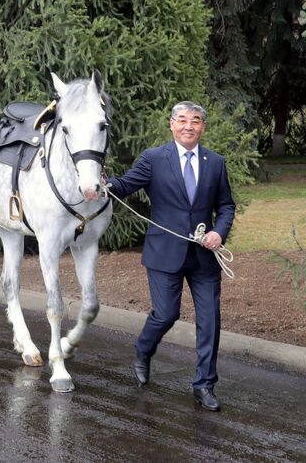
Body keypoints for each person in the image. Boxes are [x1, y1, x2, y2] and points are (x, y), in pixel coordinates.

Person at [105, 101, 235, 412]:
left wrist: (219, 231)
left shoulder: (215, 162)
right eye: (182, 120)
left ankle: (204, 384)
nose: (189, 126)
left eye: (195, 121)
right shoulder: (153, 159)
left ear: (203, 126)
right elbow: (124, 185)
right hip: (165, 252)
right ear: (171, 124)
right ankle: (143, 349)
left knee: (210, 321)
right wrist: (103, 183)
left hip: (205, 256)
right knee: (166, 314)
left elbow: (226, 205)